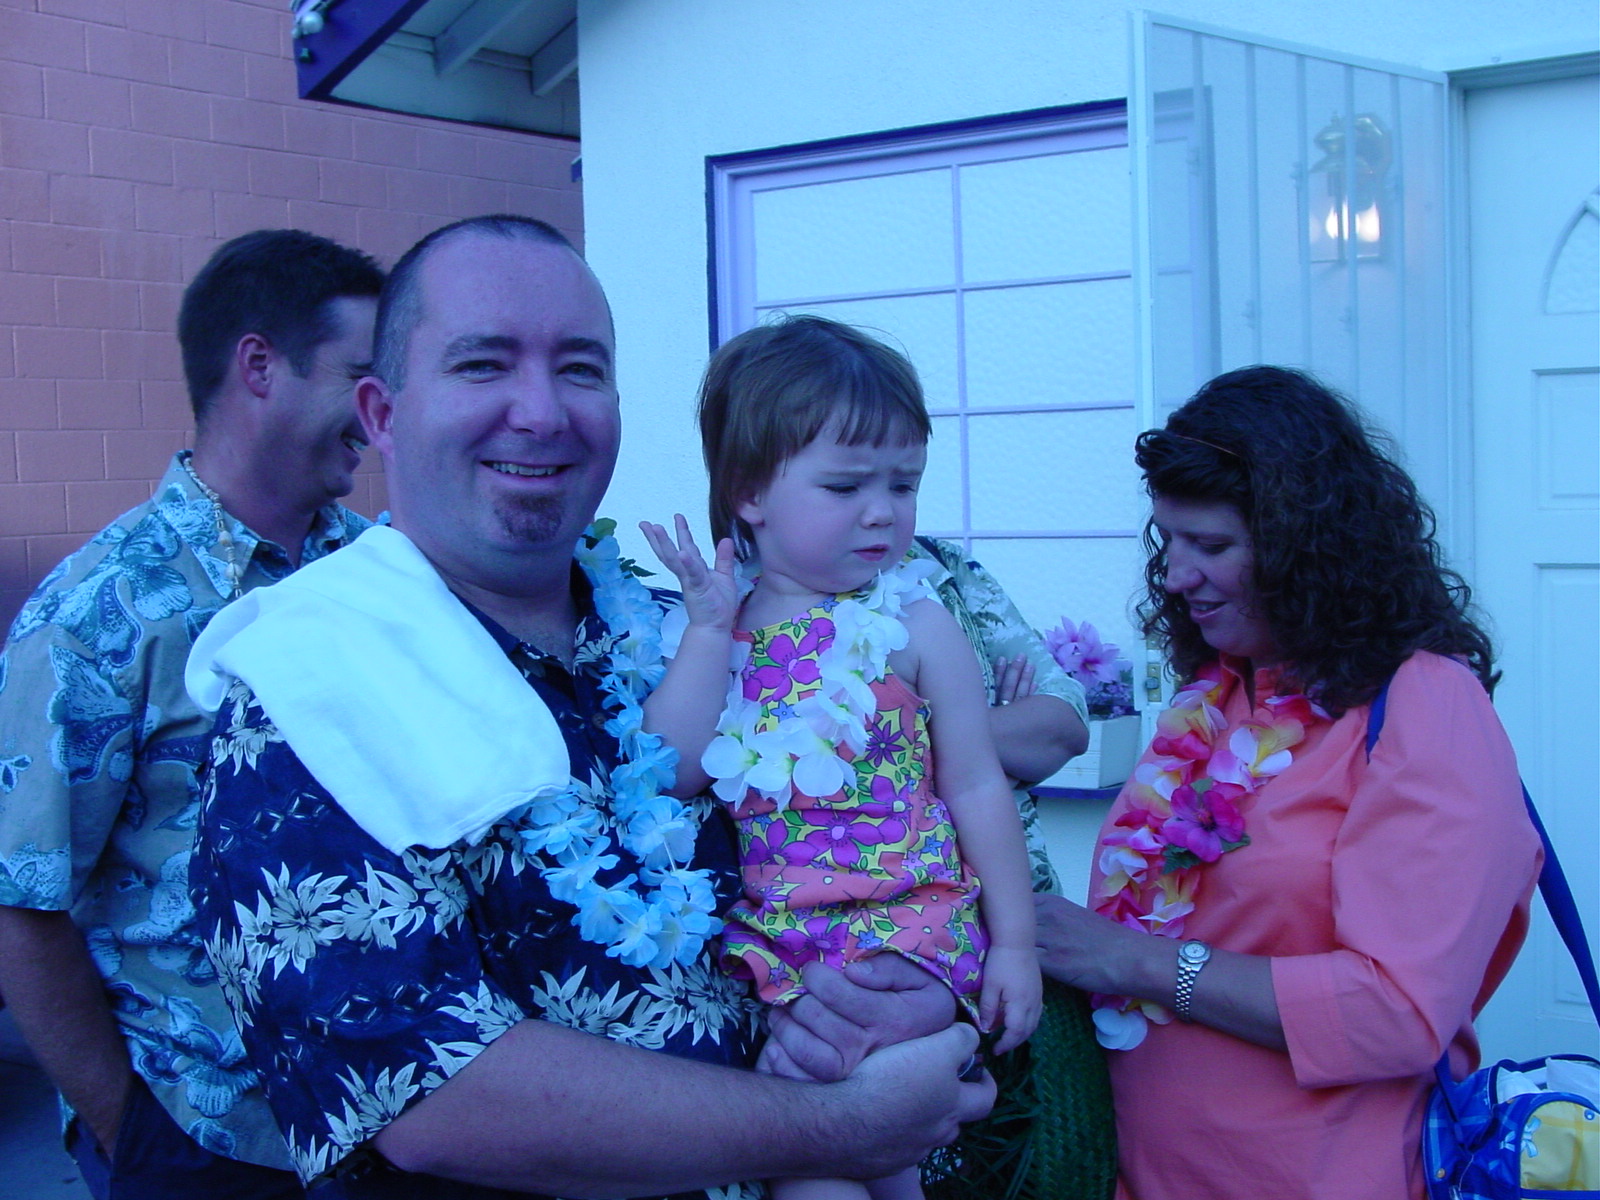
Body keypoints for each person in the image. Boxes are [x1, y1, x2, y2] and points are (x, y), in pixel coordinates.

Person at [184, 215, 991, 1200]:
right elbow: (433, 1094)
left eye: (579, 369)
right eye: (482, 365)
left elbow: (891, 845)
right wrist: (843, 1128)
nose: (541, 412)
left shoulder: (695, 634)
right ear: (382, 414)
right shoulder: (306, 692)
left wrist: (911, 1000)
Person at [1033, 365, 1542, 1200]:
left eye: (1212, 546)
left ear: (1306, 548)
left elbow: (1400, 1012)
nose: (1176, 576)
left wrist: (1137, 962)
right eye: (1170, 542)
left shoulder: (1425, 705)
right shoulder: (1217, 696)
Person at [0, 229, 383, 1197]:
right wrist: (130, 1133)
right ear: (259, 366)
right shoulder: (100, 614)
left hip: (398, 1111)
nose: (385, 412)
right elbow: (21, 901)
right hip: (212, 1141)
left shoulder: (381, 576)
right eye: (361, 376)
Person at [639, 315, 1043, 1200]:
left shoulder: (916, 625)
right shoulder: (719, 630)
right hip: (782, 945)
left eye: (904, 483)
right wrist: (706, 633)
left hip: (912, 930)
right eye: (846, 484)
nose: (883, 510)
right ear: (748, 491)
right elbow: (676, 769)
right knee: (816, 1154)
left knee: (876, 1142)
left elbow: (976, 783)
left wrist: (1015, 944)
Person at [909, 535, 1089, 894]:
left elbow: (1065, 727)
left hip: (1018, 900)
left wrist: (920, 753)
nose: (882, 513)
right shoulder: (786, 612)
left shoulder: (942, 563)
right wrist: (991, 745)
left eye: (905, 498)